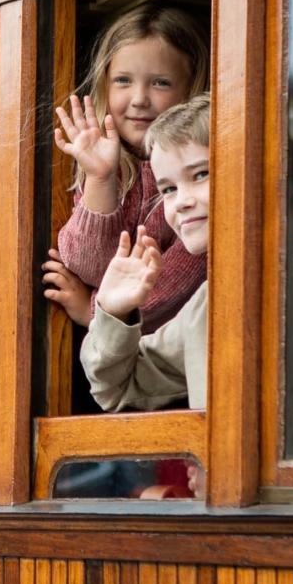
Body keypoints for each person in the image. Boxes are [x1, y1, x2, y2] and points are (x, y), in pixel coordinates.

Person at [44, 4, 209, 333]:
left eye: (160, 83)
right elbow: (90, 266)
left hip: (169, 352)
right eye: (123, 81)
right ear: (104, 85)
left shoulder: (197, 176)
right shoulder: (106, 164)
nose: (139, 99)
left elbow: (175, 284)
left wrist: (94, 311)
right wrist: (100, 178)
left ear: (192, 87)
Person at [83, 96, 211, 415]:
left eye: (200, 174)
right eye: (168, 189)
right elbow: (118, 387)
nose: (181, 201)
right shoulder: (205, 309)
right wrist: (114, 312)